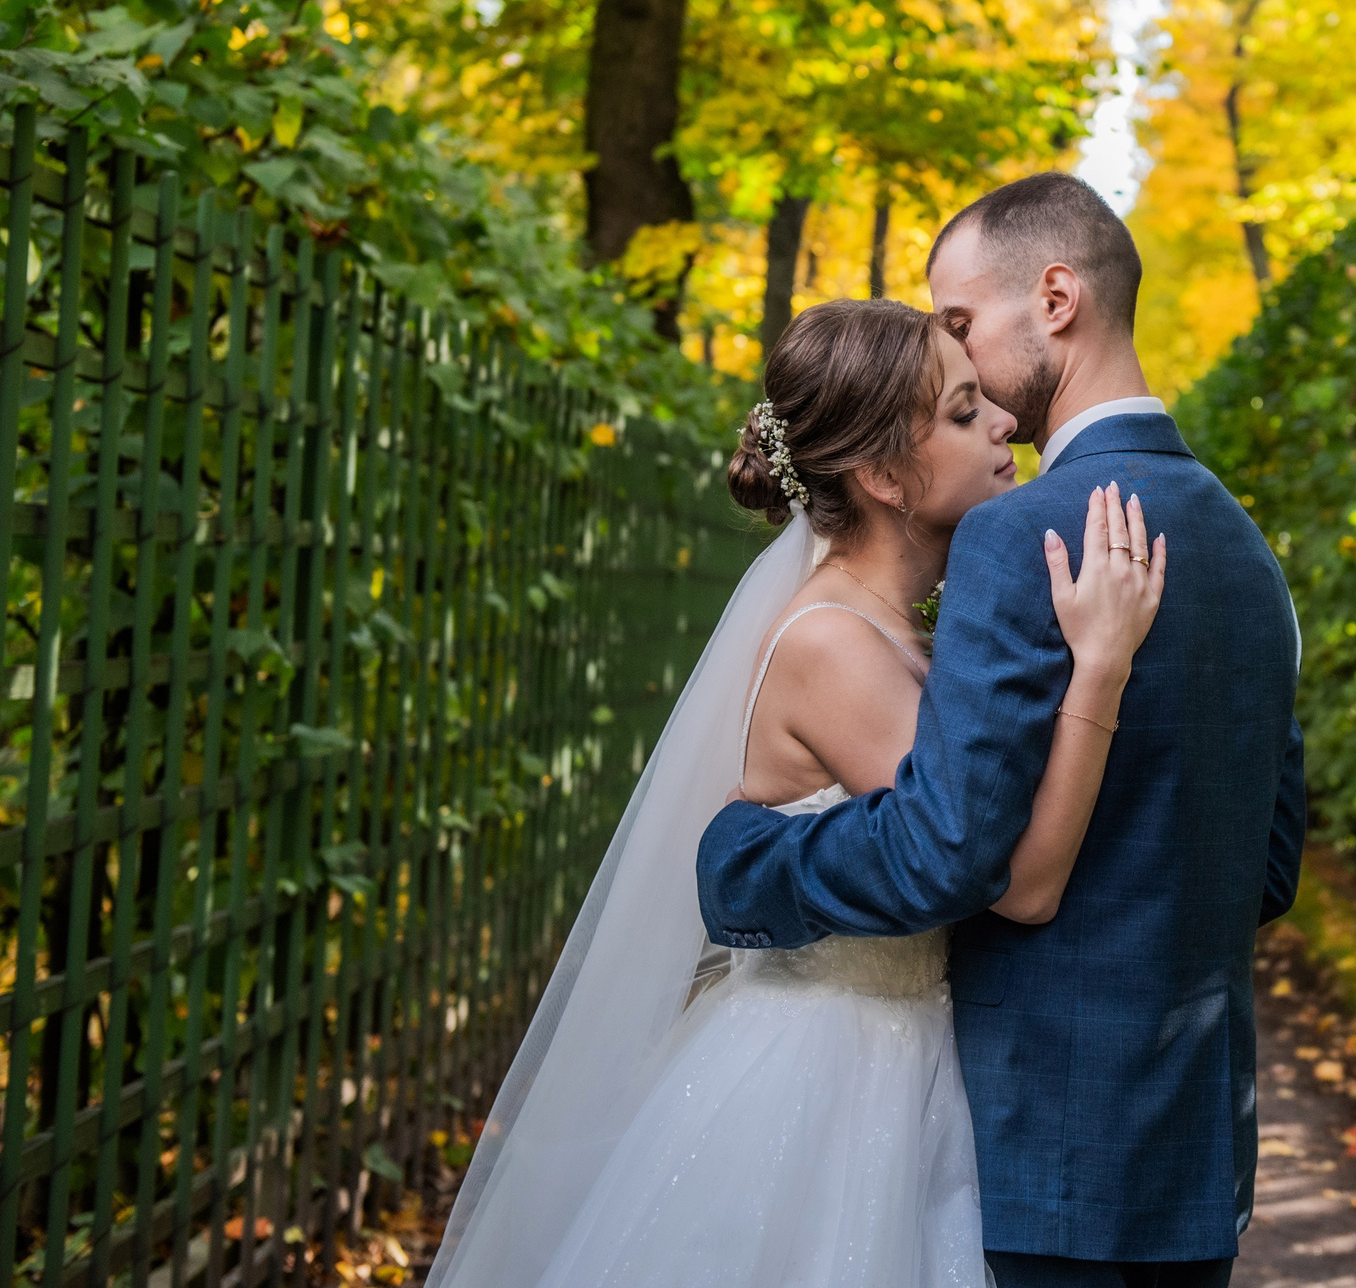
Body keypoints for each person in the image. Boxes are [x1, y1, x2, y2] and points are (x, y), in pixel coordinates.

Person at [426, 296, 1168, 1288]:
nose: (1003, 423)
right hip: (827, 1080)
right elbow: (1022, 883)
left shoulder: (899, 627)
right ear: (881, 476)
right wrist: (1102, 667)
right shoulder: (833, 646)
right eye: (959, 411)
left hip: (906, 1054)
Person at [699, 172, 1308, 1288]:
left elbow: (954, 848)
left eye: (964, 324)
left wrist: (748, 861)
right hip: (1193, 1158)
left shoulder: (1020, 536)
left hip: (1039, 1142)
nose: (965, 362)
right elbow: (1265, 869)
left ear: (1058, 297)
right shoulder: (1249, 555)